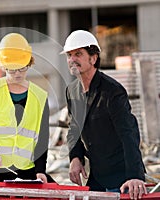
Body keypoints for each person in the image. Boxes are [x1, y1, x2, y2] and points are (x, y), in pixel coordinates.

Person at [61, 30, 147, 199]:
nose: (72, 60)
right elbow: (74, 129)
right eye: (69, 55)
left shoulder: (113, 91)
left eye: (78, 54)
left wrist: (135, 176)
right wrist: (75, 157)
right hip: (96, 178)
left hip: (122, 180)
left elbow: (128, 134)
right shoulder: (72, 91)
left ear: (93, 58)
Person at [0, 33, 54, 183]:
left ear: (29, 63)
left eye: (22, 68)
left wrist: (40, 170)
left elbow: (42, 139)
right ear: (3, 66)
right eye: (11, 69)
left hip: (23, 170)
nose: (17, 74)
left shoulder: (40, 97)